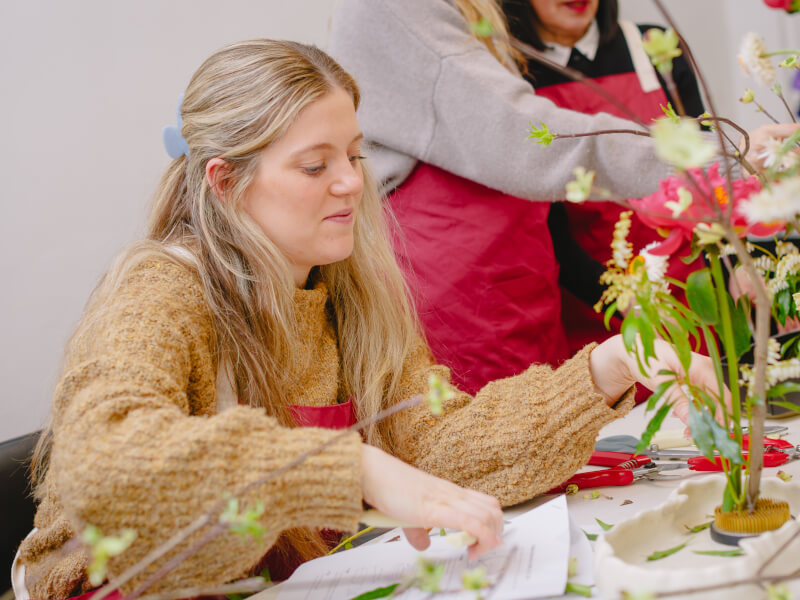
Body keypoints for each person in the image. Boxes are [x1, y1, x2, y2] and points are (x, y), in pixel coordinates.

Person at [19, 39, 723, 600]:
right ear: (226, 183)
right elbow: (103, 466)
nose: (354, 182)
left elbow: (440, 449)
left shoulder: (347, 297)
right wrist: (350, 466)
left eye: (354, 155)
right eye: (314, 165)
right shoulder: (159, 288)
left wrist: (607, 368)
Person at [329, 0, 800, 394]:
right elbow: (524, 140)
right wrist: (722, 157)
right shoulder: (393, 7)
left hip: (524, 288)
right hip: (462, 303)